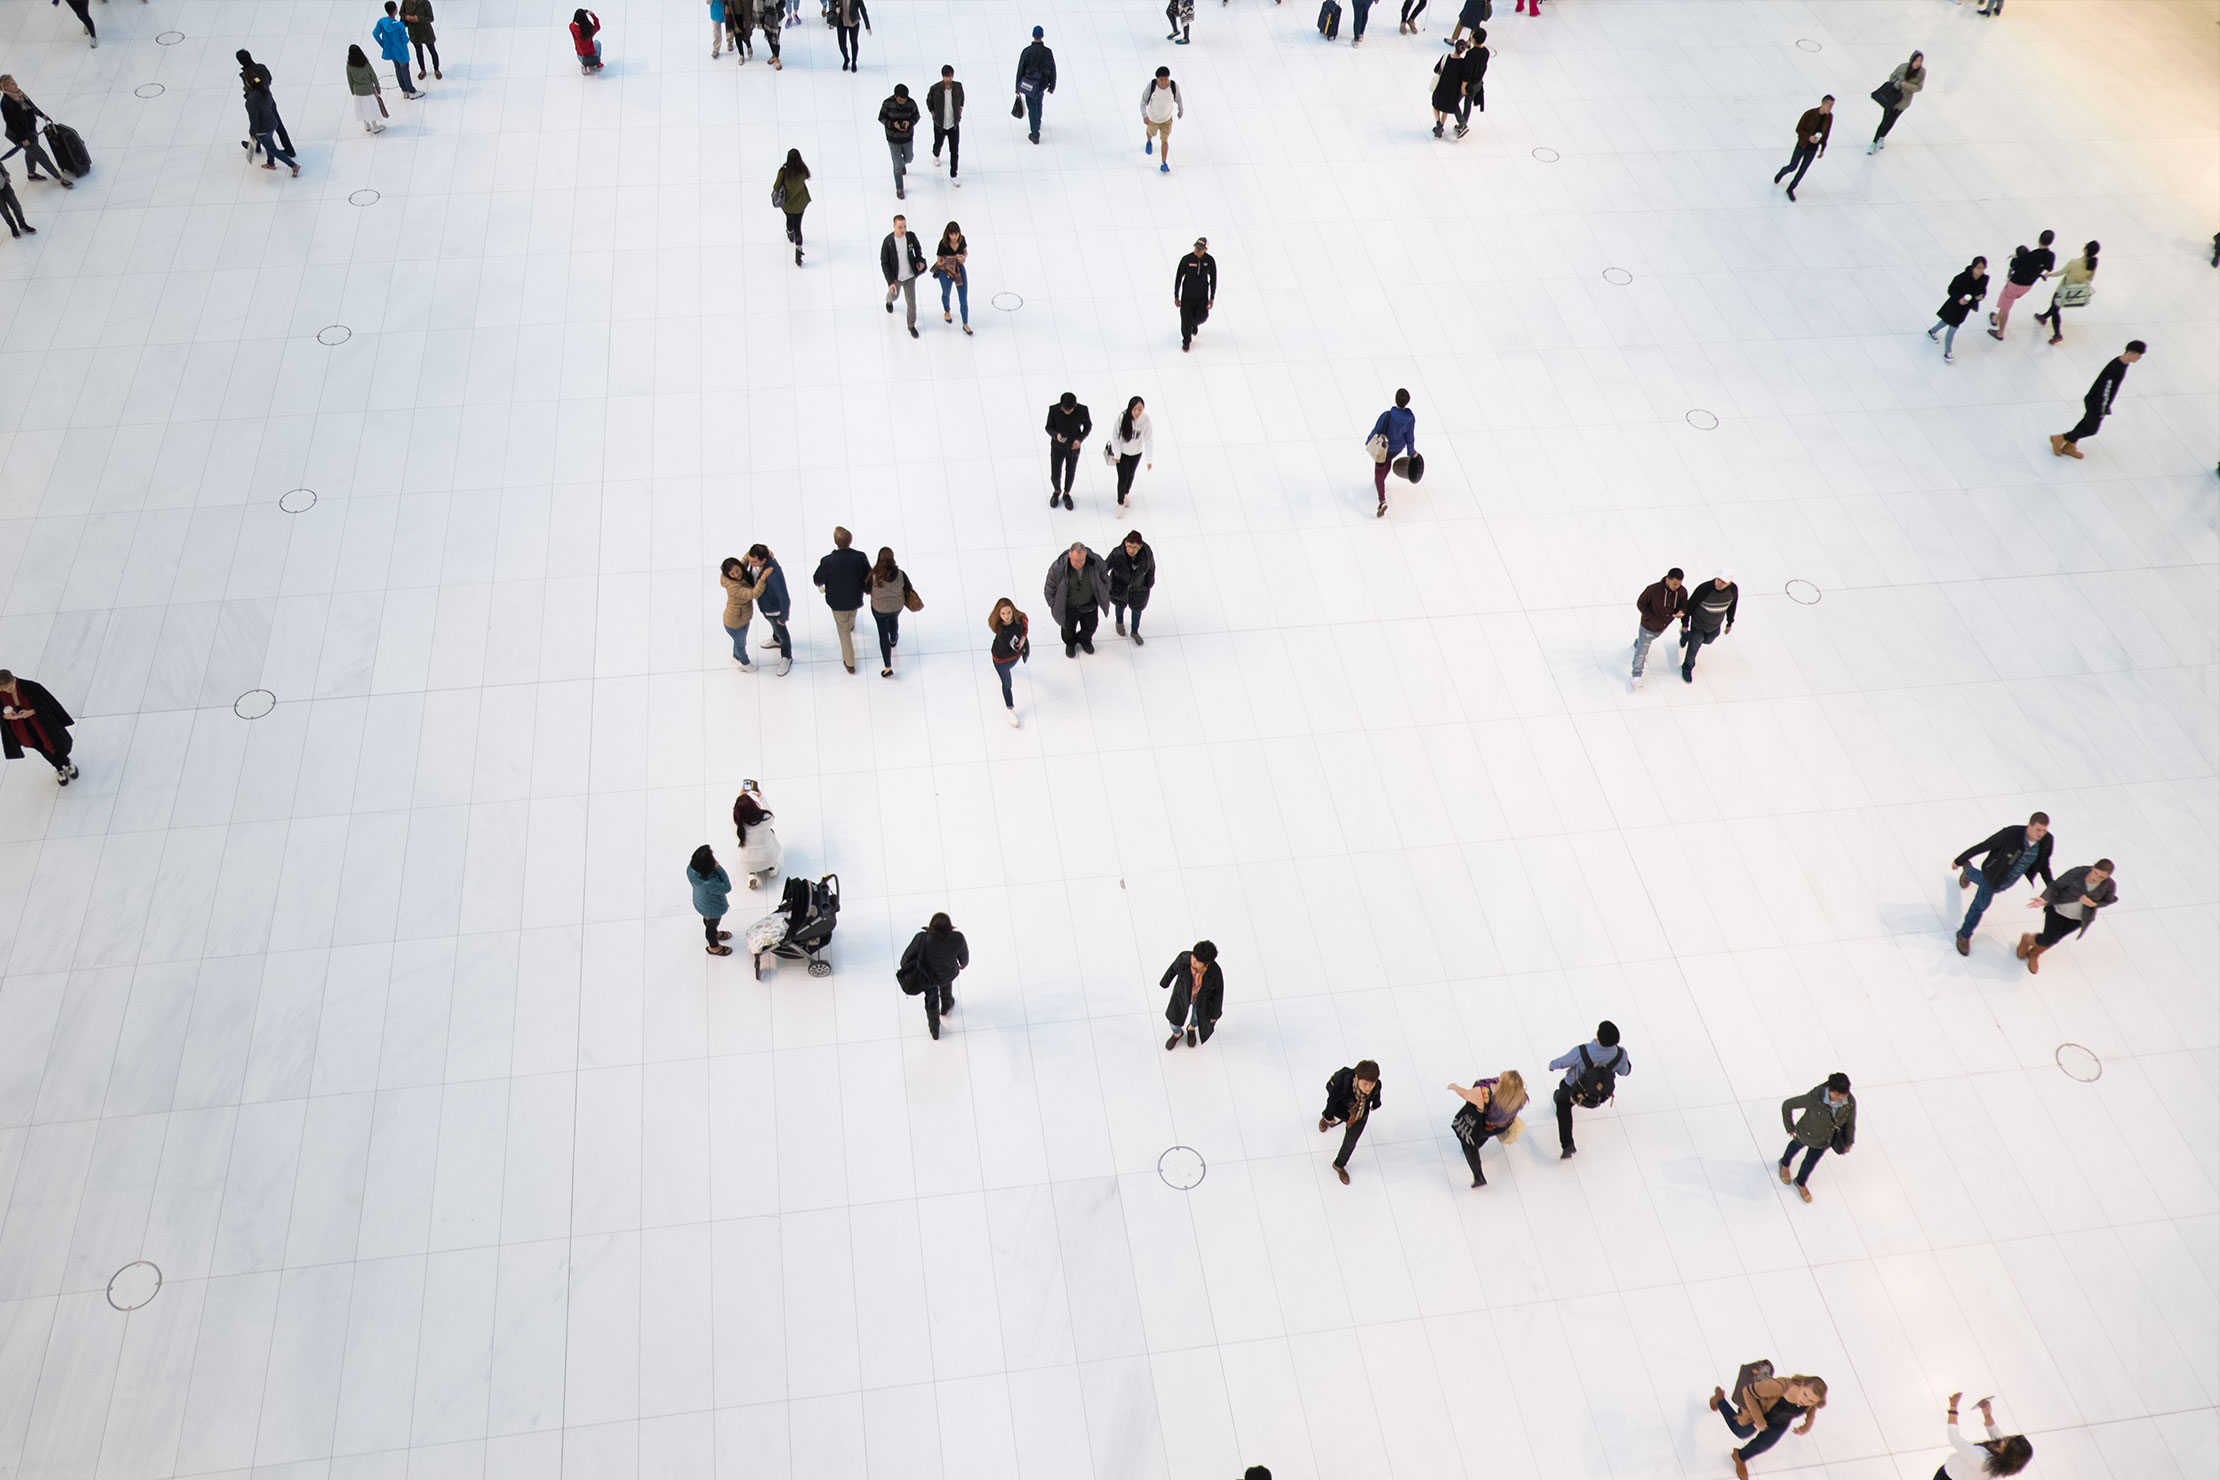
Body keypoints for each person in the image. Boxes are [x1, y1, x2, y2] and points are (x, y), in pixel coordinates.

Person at [1952, 813, 2054, 955]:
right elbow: (1984, 846)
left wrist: (2052, 888)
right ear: (2029, 826)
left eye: (2044, 830)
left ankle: (1968, 872)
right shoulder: (2011, 834)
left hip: (2007, 881)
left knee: (1985, 884)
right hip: (1993, 876)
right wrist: (1959, 859)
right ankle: (1964, 934)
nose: (2042, 834)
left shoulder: (2046, 841)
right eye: (2038, 830)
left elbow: (2044, 865)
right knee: (1980, 905)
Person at [1710, 1372, 1826, 1479]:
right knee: (1740, 1431)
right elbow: (1748, 1391)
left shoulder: (1812, 1402)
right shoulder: (1780, 1387)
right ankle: (1720, 1400)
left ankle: (1739, 1457)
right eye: (1804, 1394)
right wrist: (1759, 1420)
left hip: (1780, 1421)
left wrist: (1806, 1426)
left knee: (1763, 1444)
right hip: (1758, 1412)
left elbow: (1812, 1411)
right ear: (1802, 1384)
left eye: (1810, 1400)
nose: (1804, 1401)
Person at [2018, 859, 2116, 974]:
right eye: (2096, 873)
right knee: (2048, 938)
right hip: (2058, 910)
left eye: (2101, 877)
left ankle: (2034, 953)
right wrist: (2044, 898)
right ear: (2093, 867)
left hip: (2078, 918)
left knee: (2056, 939)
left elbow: (2109, 900)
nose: (2096, 878)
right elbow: (2055, 886)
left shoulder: (2109, 885)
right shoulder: (2077, 873)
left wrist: (2095, 904)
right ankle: (2027, 939)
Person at [1547, 1020, 1628, 1159]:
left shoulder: (1583, 1051)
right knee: (1563, 1098)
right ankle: (1560, 1098)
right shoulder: (1620, 1054)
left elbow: (1562, 1062)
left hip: (1574, 1088)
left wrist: (1551, 1065)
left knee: (1563, 1104)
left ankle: (1568, 1144)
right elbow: (1624, 1072)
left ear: (1598, 1036)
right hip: (1598, 1093)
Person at [2050, 341, 2142, 459]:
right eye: (2139, 355)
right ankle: (2060, 438)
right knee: (2091, 429)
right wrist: (2103, 407)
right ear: (2130, 353)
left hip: (2096, 400)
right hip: (2097, 402)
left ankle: (2070, 446)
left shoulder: (2121, 363)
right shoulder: (2117, 368)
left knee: (2085, 423)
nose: (2139, 358)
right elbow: (2106, 388)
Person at [1777, 1072, 1855, 1204]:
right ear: (1829, 1089)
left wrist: (1848, 1142)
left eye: (1844, 1095)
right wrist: (1790, 1128)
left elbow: (1850, 1123)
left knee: (1811, 1162)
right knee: (1794, 1147)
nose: (1841, 1098)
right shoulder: (1814, 1098)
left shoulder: (1850, 1102)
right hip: (1806, 1132)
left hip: (1825, 1139)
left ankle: (1800, 1182)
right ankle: (1784, 1164)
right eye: (1837, 1095)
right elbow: (1788, 1105)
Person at [1445, 1069, 1526, 1187]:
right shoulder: (1518, 1097)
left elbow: (1465, 1094)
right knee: (1483, 1136)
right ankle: (1478, 1145)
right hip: (1498, 1127)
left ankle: (1478, 1176)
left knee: (1469, 1145)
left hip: (1482, 1125)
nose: (1501, 1074)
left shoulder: (1484, 1094)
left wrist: (1455, 1087)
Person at [899, 912, 969, 1039]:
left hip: (928, 979)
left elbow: (904, 960)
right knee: (946, 987)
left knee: (931, 1001)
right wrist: (963, 964)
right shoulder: (958, 938)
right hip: (948, 974)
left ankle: (934, 1029)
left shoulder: (921, 939)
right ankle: (946, 1006)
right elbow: (964, 957)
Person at [812, 527, 871, 675]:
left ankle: (850, 663)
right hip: (856, 597)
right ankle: (851, 624)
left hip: (837, 602)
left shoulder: (828, 561)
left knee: (843, 633)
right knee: (852, 613)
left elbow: (817, 579)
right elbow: (869, 575)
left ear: (835, 542)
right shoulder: (860, 557)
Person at [0, 671, 77, 783]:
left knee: (55, 746)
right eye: (3, 689)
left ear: (13, 679)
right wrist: (6, 716)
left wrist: (31, 712)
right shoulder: (1, 695)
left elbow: (48, 704)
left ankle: (66, 762)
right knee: (43, 749)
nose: (7, 690)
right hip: (23, 730)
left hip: (42, 724)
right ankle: (58, 767)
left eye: (9, 687)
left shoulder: (31, 687)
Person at [1935, 1394, 2032, 1478]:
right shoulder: (2004, 1463)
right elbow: (1996, 1435)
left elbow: (1955, 1439)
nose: (2004, 1438)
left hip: (1948, 1476)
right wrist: (1987, 1415)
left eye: (2007, 1440)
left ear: (2007, 1451)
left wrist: (1953, 1407)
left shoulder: (1982, 1460)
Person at [1044, 542, 1113, 658]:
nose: (1078, 564)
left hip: (1089, 604)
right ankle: (1070, 644)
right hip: (1069, 607)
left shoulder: (1095, 563)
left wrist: (1104, 593)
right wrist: (1055, 605)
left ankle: (1084, 639)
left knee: (1091, 626)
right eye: (1075, 561)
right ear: (1070, 555)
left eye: (1081, 561)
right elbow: (1049, 588)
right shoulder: (1058, 568)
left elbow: (1106, 578)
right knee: (1067, 630)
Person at [0, 79, 71, 190]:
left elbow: (31, 106)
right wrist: (23, 139)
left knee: (31, 152)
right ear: (6, 87)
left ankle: (31, 174)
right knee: (41, 155)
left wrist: (42, 115)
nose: (16, 85)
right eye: (13, 84)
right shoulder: (6, 103)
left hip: (31, 129)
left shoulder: (19, 93)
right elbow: (12, 123)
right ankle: (60, 179)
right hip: (21, 135)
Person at [1319, 1061, 1382, 1185]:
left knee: (1350, 1142)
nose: (1368, 1088)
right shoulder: (1344, 1083)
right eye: (1365, 1084)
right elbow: (1332, 1100)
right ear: (1357, 1077)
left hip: (1359, 1114)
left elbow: (1376, 1094)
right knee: (1333, 1120)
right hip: (1341, 1109)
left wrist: (1376, 1104)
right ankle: (1326, 1122)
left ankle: (1339, 1165)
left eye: (1372, 1084)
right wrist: (1328, 1116)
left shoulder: (1377, 1085)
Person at [1988, 230, 2054, 339]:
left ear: (2039, 239)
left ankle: (2000, 333)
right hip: (2028, 286)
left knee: (2005, 307)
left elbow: (2014, 264)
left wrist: (2017, 258)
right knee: (2006, 303)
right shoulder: (2050, 256)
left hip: (2015, 284)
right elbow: (2049, 268)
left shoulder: (2030, 255)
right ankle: (1995, 318)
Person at [2030, 239, 2097, 346]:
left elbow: (2062, 272)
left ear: (2085, 249)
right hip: (2076, 292)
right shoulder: (2093, 265)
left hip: (2064, 289)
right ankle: (2044, 317)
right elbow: (2090, 279)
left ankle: (2057, 334)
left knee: (2056, 308)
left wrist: (2050, 274)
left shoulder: (2074, 262)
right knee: (2055, 306)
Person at [1629, 567, 1686, 691]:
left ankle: (1637, 644)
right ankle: (1636, 675)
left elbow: (1683, 604)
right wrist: (1650, 617)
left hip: (1662, 627)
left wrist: (1681, 611)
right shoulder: (1653, 590)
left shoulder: (1681, 592)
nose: (1676, 586)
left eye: (1679, 584)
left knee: (1643, 644)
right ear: (1667, 579)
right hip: (1648, 626)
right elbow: (1641, 603)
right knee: (1642, 652)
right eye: (1674, 584)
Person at [1160, 940, 1222, 1049]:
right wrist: (1165, 982)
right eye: (1194, 956)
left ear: (1206, 963)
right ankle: (1177, 1034)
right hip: (1181, 994)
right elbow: (1173, 969)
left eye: (1198, 961)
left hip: (1201, 1000)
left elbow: (1218, 992)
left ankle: (1191, 1029)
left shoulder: (1215, 972)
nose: (1193, 961)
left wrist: (1215, 1014)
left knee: (1196, 1017)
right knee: (1174, 1021)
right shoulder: (1184, 958)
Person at [1678, 570, 1736, 683]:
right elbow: (1689, 606)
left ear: (1729, 583)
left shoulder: (1733, 591)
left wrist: (1729, 622)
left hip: (1714, 625)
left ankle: (1686, 636)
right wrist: (1685, 624)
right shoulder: (1704, 589)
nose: (1719, 583)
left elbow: (1732, 606)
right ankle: (1687, 667)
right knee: (1694, 647)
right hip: (1698, 624)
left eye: (1723, 582)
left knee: (1708, 640)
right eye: (1718, 580)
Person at [1928, 257, 1988, 364]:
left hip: (1965, 307)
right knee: (1953, 327)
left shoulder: (1984, 279)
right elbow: (1951, 289)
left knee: (1946, 321)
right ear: (1973, 267)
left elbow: (1983, 290)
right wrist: (1959, 299)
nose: (1981, 271)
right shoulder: (1962, 277)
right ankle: (1948, 352)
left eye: (1983, 268)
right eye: (1978, 268)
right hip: (1954, 305)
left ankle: (1932, 331)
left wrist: (1981, 296)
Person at [236, 52, 296, 158]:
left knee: (257, 123)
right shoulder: (261, 67)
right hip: (268, 99)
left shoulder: (247, 74)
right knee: (278, 124)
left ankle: (255, 145)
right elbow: (269, 79)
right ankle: (288, 148)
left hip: (256, 102)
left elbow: (249, 88)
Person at [1366, 389, 1415, 517]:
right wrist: (1411, 452)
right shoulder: (1410, 418)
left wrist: (1368, 441)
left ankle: (1382, 500)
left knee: (1379, 470)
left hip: (1384, 447)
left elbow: (1377, 430)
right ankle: (1381, 482)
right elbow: (1410, 437)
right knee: (1388, 461)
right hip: (1397, 448)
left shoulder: (1387, 416)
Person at [866, 547, 914, 677]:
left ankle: (888, 667)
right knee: (894, 620)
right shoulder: (900, 574)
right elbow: (908, 588)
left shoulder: (873, 576)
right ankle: (893, 639)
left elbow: (866, 589)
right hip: (897, 606)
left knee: (882, 635)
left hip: (879, 609)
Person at [745, 544, 793, 674]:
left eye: (754, 561)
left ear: (763, 560)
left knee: (782, 632)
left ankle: (786, 656)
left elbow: (784, 598)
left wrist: (783, 618)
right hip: (765, 606)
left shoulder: (773, 574)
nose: (750, 563)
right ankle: (776, 639)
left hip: (774, 610)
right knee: (775, 628)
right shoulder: (757, 563)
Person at [1773, 95, 1832, 200]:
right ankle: (1782, 172)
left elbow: (1826, 133)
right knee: (1793, 166)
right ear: (1823, 103)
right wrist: (1809, 137)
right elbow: (1799, 129)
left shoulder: (1829, 117)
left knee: (1803, 170)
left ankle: (1791, 188)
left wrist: (1822, 148)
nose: (1830, 108)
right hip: (1802, 145)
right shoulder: (1809, 114)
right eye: (1829, 105)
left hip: (1812, 149)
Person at [1867, 50, 1923, 153]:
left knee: (1892, 121)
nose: (1918, 63)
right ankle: (1874, 142)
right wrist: (1899, 84)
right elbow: (1892, 77)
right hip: (1892, 98)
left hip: (1904, 101)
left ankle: (1882, 137)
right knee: (1885, 121)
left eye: (1920, 61)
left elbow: (1919, 87)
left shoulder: (1921, 72)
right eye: (1916, 60)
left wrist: (1908, 86)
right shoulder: (1902, 67)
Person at [881, 214, 927, 338]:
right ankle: (888, 300)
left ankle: (911, 325)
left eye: (904, 227)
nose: (903, 230)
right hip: (896, 278)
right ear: (894, 226)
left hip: (909, 277)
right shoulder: (888, 242)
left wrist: (920, 261)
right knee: (894, 296)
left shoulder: (910, 237)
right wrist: (890, 282)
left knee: (911, 302)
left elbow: (918, 250)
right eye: (900, 227)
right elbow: (884, 263)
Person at [1107, 531, 1155, 645]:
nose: (1131, 550)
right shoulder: (1117, 554)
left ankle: (1134, 631)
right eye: (1129, 546)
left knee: (1137, 611)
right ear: (1125, 543)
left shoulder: (1146, 555)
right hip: (1119, 587)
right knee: (1119, 606)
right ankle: (1119, 622)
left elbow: (1151, 568)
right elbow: (1105, 567)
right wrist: (1106, 583)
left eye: (1134, 547)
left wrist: (1148, 584)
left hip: (1138, 589)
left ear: (1140, 546)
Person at [719, 555, 767, 669]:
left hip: (740, 619)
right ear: (728, 575)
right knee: (741, 644)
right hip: (735, 623)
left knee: (738, 641)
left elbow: (745, 560)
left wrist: (753, 553)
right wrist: (763, 579)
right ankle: (745, 664)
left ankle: (736, 657)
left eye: (737, 571)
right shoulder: (733, 587)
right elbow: (753, 593)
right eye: (732, 574)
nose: (736, 575)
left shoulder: (737, 573)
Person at [1045, 392, 1091, 508]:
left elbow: (1088, 426)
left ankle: (1066, 493)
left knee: (1070, 472)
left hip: (1073, 447)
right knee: (1055, 474)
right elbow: (1048, 427)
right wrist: (1056, 435)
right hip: (1057, 446)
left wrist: (1079, 439)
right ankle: (1057, 491)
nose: (1066, 412)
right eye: (1064, 409)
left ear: (1075, 405)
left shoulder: (1082, 410)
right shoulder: (1054, 410)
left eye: (1069, 410)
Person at [988, 598, 1029, 726]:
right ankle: (1010, 709)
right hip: (1001, 659)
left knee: (1009, 669)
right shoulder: (999, 629)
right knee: (1007, 684)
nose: (1006, 616)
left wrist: (1023, 639)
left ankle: (1003, 673)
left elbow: (1025, 625)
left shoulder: (1020, 619)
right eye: (1003, 614)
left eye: (1008, 613)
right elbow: (1008, 642)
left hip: (1014, 656)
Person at [730, 788, 782, 887]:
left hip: (748, 860)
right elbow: (770, 814)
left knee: (748, 859)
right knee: (771, 832)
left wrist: (740, 798)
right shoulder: (765, 818)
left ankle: (752, 874)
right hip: (768, 857)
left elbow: (736, 813)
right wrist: (760, 797)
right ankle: (772, 869)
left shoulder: (735, 825)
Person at [688, 845, 734, 955]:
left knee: (710, 923)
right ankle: (714, 947)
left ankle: (714, 931)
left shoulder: (690, 869)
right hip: (712, 909)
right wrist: (718, 867)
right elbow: (727, 887)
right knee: (711, 927)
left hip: (701, 901)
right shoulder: (709, 883)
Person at [247, 81, 300, 176]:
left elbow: (254, 119)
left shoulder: (251, 100)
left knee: (273, 149)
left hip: (263, 129)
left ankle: (293, 165)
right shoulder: (265, 91)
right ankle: (270, 163)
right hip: (272, 123)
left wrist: (252, 133)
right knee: (269, 144)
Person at [1110, 397, 1154, 508]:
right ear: (1130, 408)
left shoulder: (1146, 419)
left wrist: (1149, 459)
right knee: (1122, 478)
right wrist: (1117, 453)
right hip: (1123, 454)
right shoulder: (1122, 417)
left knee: (1130, 475)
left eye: (1140, 409)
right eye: (1135, 409)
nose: (1137, 412)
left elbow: (1149, 439)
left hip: (1136, 453)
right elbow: (1115, 436)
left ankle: (1126, 493)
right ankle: (1120, 502)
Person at [1015, 26, 1056, 145]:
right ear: (1042, 35)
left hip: (1029, 83)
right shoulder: (1047, 52)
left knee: (1032, 107)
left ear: (1033, 35)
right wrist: (1052, 85)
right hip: (1042, 83)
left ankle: (1035, 134)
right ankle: (1037, 122)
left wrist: (1018, 86)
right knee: (1038, 103)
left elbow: (1021, 68)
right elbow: (1052, 68)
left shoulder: (1027, 51)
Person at [1174, 238, 1215, 350]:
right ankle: (1186, 341)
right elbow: (1178, 277)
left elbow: (1213, 279)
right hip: (1187, 296)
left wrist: (1211, 298)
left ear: (1205, 250)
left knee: (1203, 316)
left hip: (1202, 297)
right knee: (1185, 317)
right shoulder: (1187, 259)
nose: (1197, 250)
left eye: (1200, 249)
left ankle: (1192, 324)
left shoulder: (1210, 261)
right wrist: (1176, 296)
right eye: (1196, 248)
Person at [879, 84, 919, 198]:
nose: (902, 102)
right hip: (893, 138)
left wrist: (909, 123)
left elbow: (916, 116)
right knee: (897, 164)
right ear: (895, 96)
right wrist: (892, 124)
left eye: (904, 100)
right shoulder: (887, 104)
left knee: (909, 158)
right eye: (900, 100)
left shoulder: (911, 103)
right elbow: (881, 118)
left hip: (907, 137)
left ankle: (902, 165)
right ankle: (899, 188)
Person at [925, 65, 964, 183]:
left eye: (950, 76)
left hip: (953, 124)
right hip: (940, 123)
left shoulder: (958, 87)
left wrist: (960, 108)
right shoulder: (935, 89)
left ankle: (953, 174)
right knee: (938, 143)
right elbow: (929, 101)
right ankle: (936, 154)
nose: (948, 79)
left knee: (954, 150)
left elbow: (962, 98)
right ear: (943, 76)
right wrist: (933, 113)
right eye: (946, 76)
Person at [1141, 67, 1183, 173]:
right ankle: (1149, 140)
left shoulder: (1173, 86)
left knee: (1165, 140)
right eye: (1161, 80)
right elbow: (1143, 101)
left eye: (1166, 79)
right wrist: (1145, 115)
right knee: (1152, 132)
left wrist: (1180, 110)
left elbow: (1178, 99)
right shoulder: (1152, 86)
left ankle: (1163, 162)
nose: (1164, 82)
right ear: (1157, 79)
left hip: (1166, 120)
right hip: (1153, 119)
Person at [376, 3, 422, 98]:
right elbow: (405, 40)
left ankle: (404, 91)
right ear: (395, 11)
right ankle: (411, 91)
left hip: (391, 51)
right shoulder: (399, 26)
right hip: (401, 52)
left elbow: (375, 34)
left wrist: (383, 45)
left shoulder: (382, 22)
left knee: (398, 70)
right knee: (405, 71)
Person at [932, 221, 970, 333]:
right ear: (947, 234)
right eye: (951, 234)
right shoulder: (943, 243)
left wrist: (963, 258)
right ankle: (947, 310)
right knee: (946, 292)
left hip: (958, 269)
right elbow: (939, 260)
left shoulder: (962, 239)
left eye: (956, 234)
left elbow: (965, 251)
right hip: (946, 271)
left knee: (963, 298)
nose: (954, 237)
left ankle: (965, 323)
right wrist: (952, 259)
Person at [774, 150, 810, 265]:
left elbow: (776, 187)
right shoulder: (803, 171)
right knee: (798, 225)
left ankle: (790, 233)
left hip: (787, 204)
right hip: (800, 204)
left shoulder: (784, 172)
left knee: (789, 219)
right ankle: (798, 254)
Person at [1430, 39, 1471, 140]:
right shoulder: (1463, 63)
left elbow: (1436, 69)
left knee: (1435, 105)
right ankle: (1442, 125)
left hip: (1441, 87)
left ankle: (1438, 124)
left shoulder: (1446, 57)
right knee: (1445, 109)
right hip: (1453, 91)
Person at [346, 47, 388, 135]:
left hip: (357, 92)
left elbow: (350, 80)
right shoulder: (366, 64)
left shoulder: (349, 66)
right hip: (368, 91)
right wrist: (378, 88)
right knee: (371, 108)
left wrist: (352, 91)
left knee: (361, 109)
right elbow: (373, 76)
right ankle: (375, 126)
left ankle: (366, 125)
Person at [401, 0, 441, 80]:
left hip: (426, 32)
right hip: (414, 32)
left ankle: (436, 69)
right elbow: (401, 13)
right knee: (419, 52)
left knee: (432, 50)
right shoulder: (406, 1)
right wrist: (406, 17)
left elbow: (430, 18)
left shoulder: (425, 2)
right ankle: (422, 70)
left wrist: (418, 18)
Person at [833, 0, 870, 70]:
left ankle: (854, 61)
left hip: (854, 23)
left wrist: (867, 26)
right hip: (841, 22)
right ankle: (846, 58)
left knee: (853, 42)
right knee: (842, 44)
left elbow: (863, 10)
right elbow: (832, 1)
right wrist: (836, 7)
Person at [0, 160, 30, 239]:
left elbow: (1, 167)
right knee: (4, 212)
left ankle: (22, 224)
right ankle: (13, 227)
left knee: (16, 206)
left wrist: (6, 178)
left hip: (4, 185)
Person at [570, 8, 605, 73]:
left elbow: (574, 23)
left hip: (581, 56)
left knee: (583, 54)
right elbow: (598, 26)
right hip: (592, 55)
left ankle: (585, 65)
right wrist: (592, 15)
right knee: (597, 43)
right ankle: (598, 64)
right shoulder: (589, 30)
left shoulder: (572, 27)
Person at [756, 0, 783, 70]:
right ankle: (774, 54)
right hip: (766, 19)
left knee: (775, 39)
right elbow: (758, 5)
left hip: (777, 18)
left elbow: (782, 4)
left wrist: (772, 10)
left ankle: (777, 58)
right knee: (769, 37)